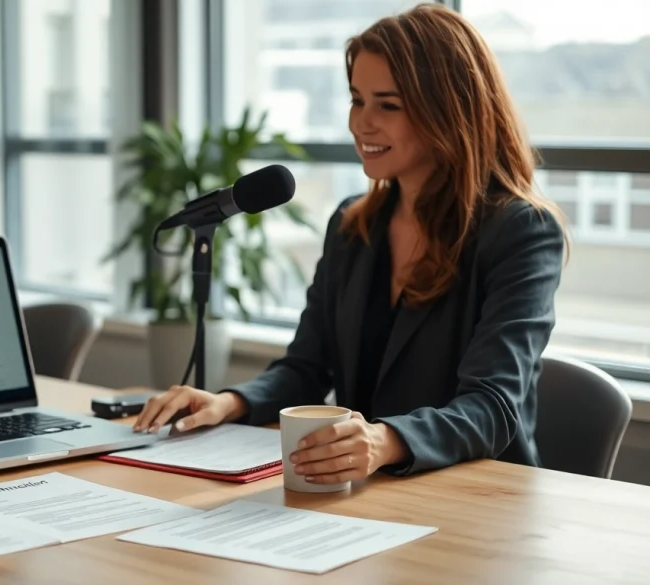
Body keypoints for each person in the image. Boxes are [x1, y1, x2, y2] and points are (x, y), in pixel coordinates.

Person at [133, 2, 568, 485]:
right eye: (357, 99)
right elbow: (306, 367)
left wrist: (385, 441)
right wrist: (231, 402)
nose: (362, 123)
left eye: (388, 104)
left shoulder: (521, 230)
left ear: (449, 112)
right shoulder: (351, 225)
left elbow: (493, 406)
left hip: (477, 498)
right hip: (366, 492)